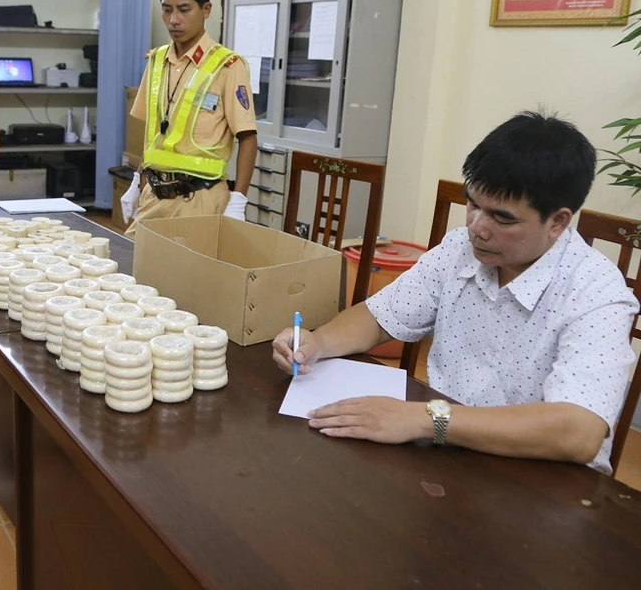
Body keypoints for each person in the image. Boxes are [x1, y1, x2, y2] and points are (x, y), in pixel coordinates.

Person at [272, 111, 638, 474]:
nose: (477, 227)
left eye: (502, 217)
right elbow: (380, 317)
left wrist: (423, 419)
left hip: (539, 480)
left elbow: (578, 431)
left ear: (557, 221)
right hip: (449, 457)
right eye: (473, 204)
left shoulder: (595, 291)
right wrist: (317, 344)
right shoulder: (458, 249)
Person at [121, 0, 258, 238]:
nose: (174, 20)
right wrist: (137, 181)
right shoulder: (157, 61)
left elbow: (248, 137)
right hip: (154, 195)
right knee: (133, 259)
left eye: (184, 10)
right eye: (167, 10)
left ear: (206, 9)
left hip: (200, 200)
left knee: (188, 267)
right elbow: (154, 136)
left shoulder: (227, 66)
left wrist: (238, 200)